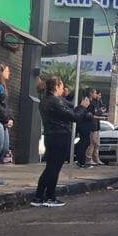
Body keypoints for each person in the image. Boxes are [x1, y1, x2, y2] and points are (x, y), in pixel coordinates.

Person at [33, 77, 91, 207]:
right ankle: (50, 196)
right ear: (57, 86)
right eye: (61, 86)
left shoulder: (45, 101)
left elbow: (69, 110)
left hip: (50, 136)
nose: (63, 89)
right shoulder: (54, 101)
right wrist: (82, 107)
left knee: (50, 167)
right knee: (54, 168)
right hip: (60, 136)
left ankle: (39, 196)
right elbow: (73, 116)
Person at [74, 88, 95, 168]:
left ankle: (80, 160)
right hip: (84, 125)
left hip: (84, 125)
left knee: (84, 142)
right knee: (84, 142)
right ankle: (81, 161)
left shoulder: (87, 102)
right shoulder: (86, 101)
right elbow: (87, 114)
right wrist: (90, 115)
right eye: (94, 92)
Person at [85, 88, 106, 165]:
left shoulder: (98, 102)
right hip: (92, 125)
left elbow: (98, 111)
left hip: (97, 124)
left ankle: (96, 158)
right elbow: (90, 115)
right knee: (92, 142)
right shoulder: (90, 102)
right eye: (97, 94)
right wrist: (100, 117)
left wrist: (101, 112)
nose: (99, 96)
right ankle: (88, 158)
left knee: (97, 143)